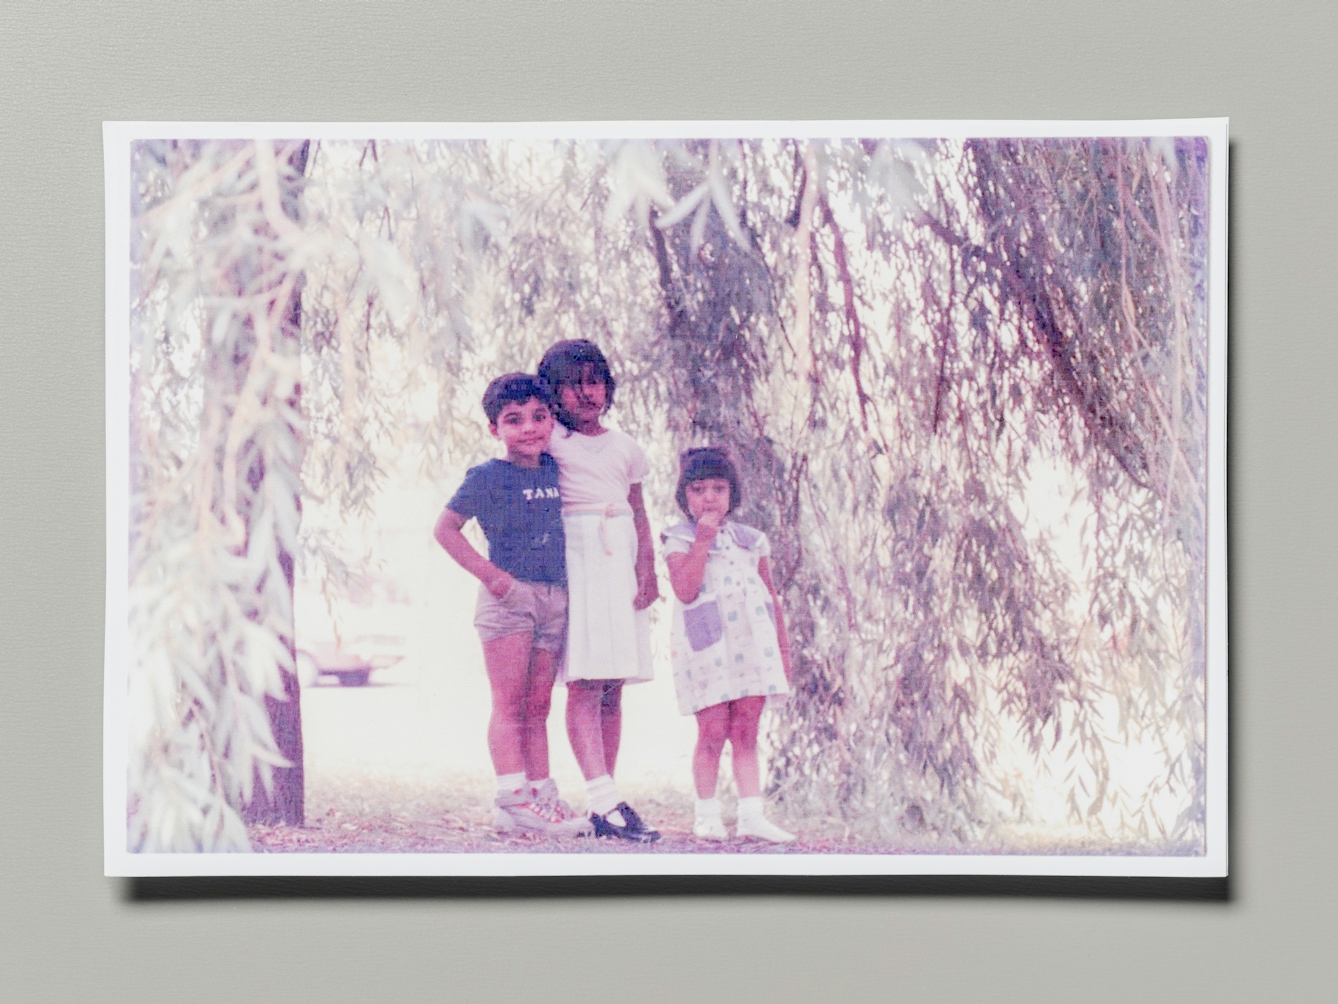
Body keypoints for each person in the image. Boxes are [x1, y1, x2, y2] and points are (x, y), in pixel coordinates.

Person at [433, 373, 591, 837]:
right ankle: (512, 795)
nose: (529, 428)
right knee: (509, 702)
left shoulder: (554, 469)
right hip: (510, 600)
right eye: (514, 420)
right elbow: (445, 529)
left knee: (539, 703)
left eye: (539, 417)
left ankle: (540, 794)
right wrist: (495, 578)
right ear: (494, 429)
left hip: (553, 596)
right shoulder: (487, 476)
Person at [537, 339, 661, 842]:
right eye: (572, 383)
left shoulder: (626, 446)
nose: (585, 393)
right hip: (579, 554)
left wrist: (647, 567)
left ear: (607, 387)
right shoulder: (550, 442)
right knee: (586, 679)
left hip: (620, 557)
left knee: (613, 684)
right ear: (553, 391)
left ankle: (603, 800)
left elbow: (638, 509)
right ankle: (605, 799)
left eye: (594, 381)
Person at [661, 447, 796, 843]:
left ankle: (752, 815)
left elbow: (771, 598)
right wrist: (702, 539)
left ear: (732, 494)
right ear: (684, 496)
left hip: (754, 649)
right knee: (713, 730)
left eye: (719, 488)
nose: (709, 497)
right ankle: (706, 814)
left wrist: (783, 654)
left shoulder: (752, 541)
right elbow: (685, 590)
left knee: (746, 732)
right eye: (698, 488)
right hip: (708, 651)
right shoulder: (678, 538)